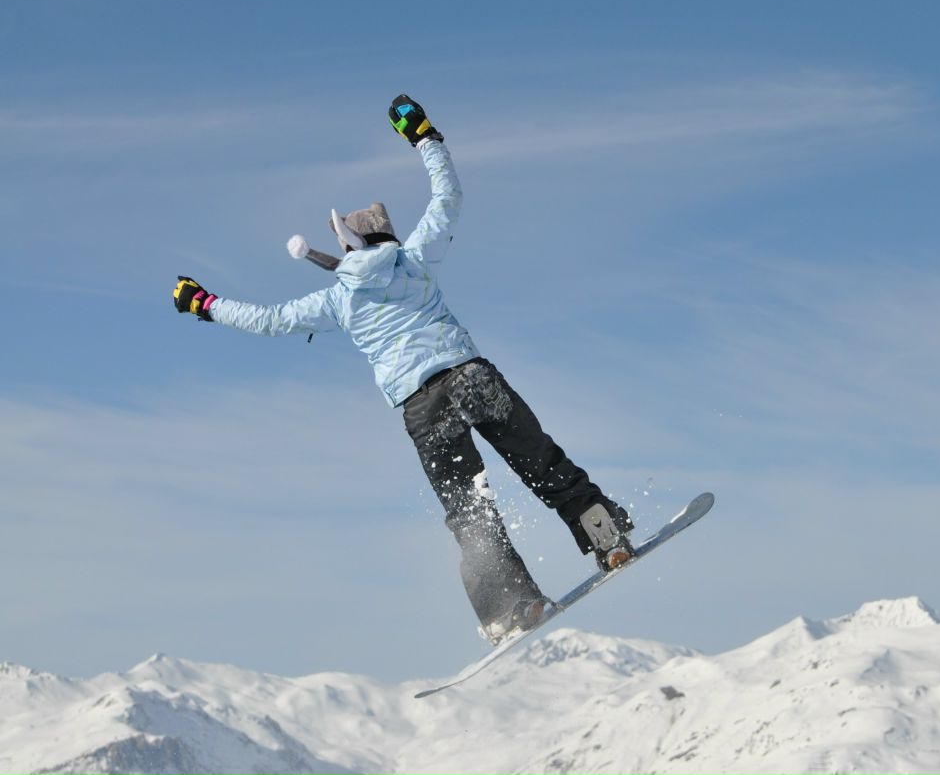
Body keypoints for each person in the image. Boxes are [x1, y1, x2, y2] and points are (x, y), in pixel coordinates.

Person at [172, 94, 635, 644]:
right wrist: (423, 136)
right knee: (540, 460)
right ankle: (606, 536)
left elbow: (269, 320)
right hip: (471, 375)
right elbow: (449, 195)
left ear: (346, 246)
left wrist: (205, 303)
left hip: (422, 406)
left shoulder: (338, 300)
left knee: (470, 510)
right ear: (386, 237)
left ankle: (515, 606)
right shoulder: (413, 259)